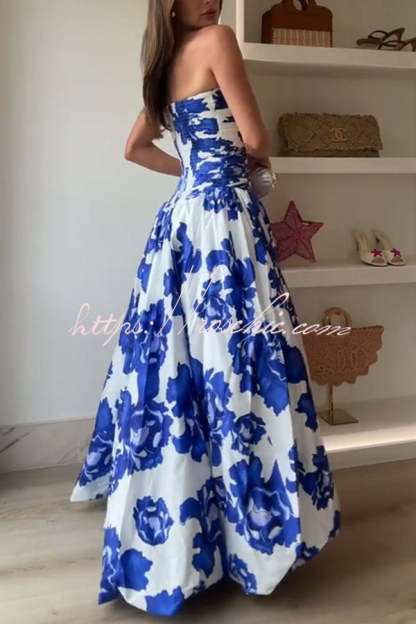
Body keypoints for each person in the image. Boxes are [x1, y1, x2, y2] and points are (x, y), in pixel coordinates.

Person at [69, 0, 341, 616]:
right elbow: (257, 139)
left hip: (180, 224)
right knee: (241, 362)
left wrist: (193, 171)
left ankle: (185, 545)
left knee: (177, 367)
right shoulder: (217, 39)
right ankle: (256, 536)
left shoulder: (161, 61)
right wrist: (235, 169)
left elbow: (135, 147)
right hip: (225, 224)